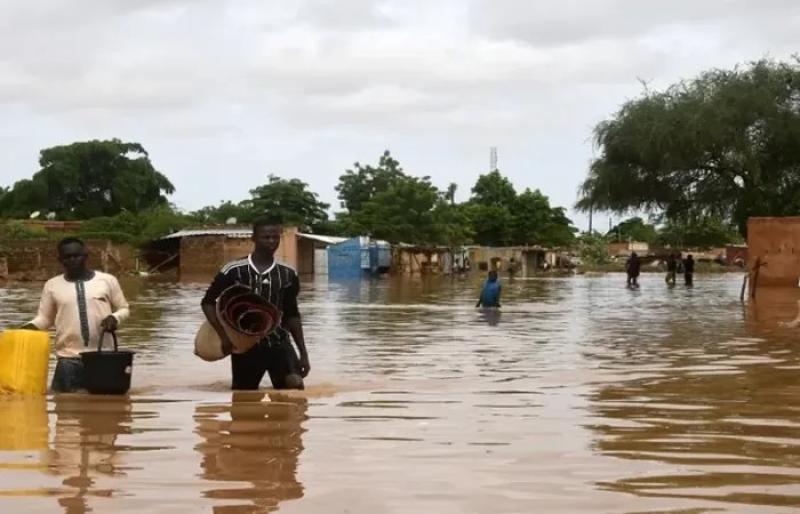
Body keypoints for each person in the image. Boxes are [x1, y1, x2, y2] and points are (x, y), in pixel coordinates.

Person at [202, 217, 310, 390]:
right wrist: (224, 337)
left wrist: (303, 353)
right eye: (265, 237)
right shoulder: (233, 270)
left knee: (295, 390)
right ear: (254, 238)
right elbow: (207, 303)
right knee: (242, 400)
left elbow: (292, 314)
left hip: (279, 344)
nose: (271, 241)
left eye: (275, 237)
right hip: (245, 347)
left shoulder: (288, 274)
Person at [23, 237, 130, 393]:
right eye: (67, 257)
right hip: (68, 359)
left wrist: (114, 318)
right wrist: (26, 328)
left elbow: (124, 308)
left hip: (103, 357)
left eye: (76, 255)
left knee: (106, 410)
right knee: (65, 408)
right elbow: (45, 319)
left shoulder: (107, 280)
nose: (72, 260)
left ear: (86, 256)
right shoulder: (52, 285)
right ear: (60, 260)